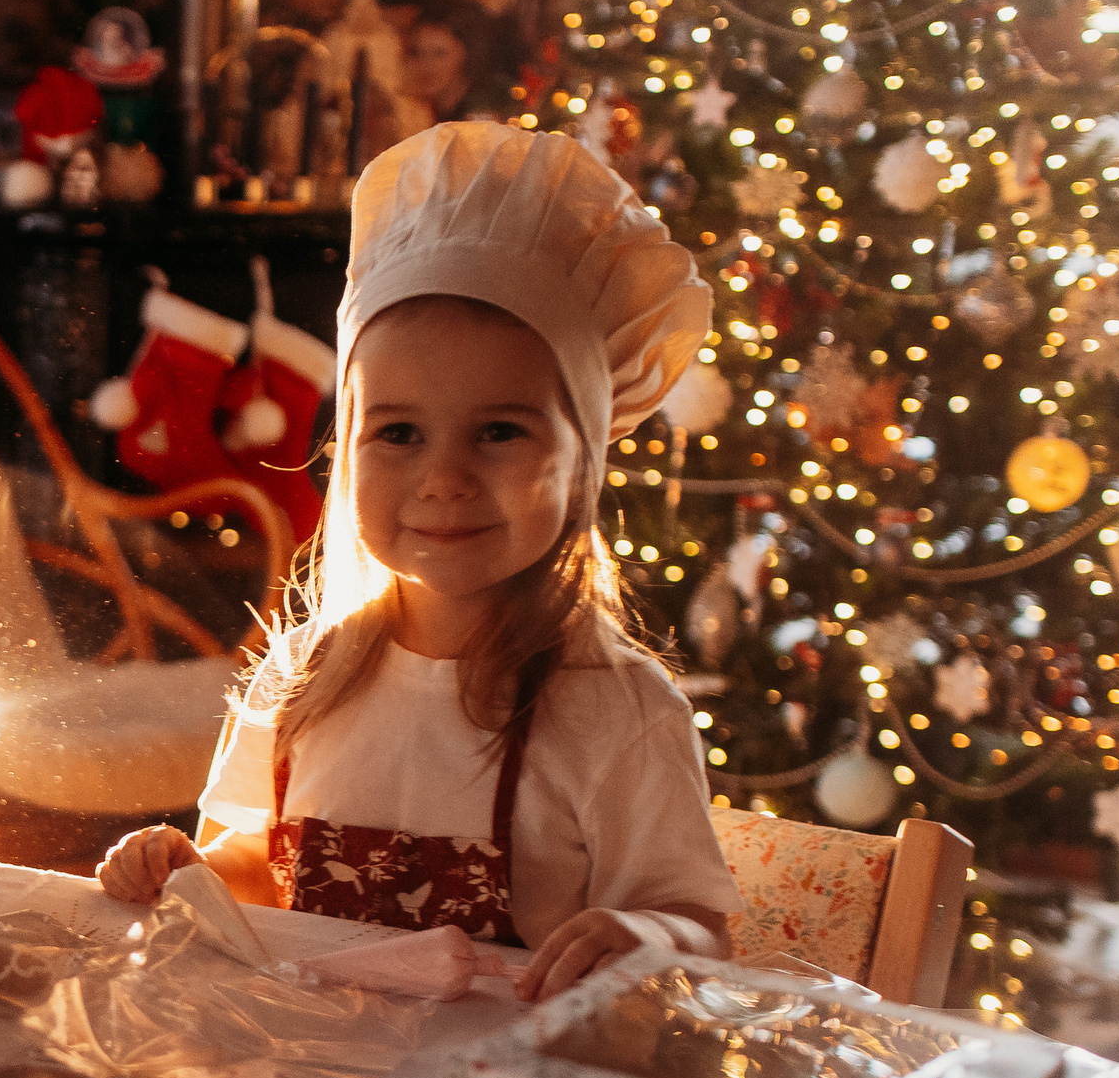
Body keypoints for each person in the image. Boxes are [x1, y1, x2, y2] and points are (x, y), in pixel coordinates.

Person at [98, 122, 741, 1004]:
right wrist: (187, 869)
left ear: (584, 461)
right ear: (346, 453)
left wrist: (649, 932)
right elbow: (253, 865)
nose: (444, 479)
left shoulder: (618, 711)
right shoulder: (303, 674)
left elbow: (701, 926)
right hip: (304, 1058)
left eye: (500, 431)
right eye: (398, 433)